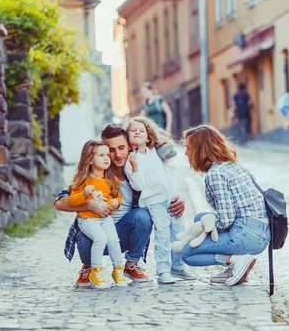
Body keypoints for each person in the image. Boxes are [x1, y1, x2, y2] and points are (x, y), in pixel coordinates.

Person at [55, 124, 186, 287]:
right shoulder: (96, 173)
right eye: (111, 149)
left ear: (130, 147)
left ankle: (130, 265)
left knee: (143, 216)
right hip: (94, 233)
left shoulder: (137, 172)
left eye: (122, 148)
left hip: (122, 234)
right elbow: (60, 202)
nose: (117, 154)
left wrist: (178, 198)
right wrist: (88, 205)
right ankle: (89, 266)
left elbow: (161, 185)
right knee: (85, 233)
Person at [180, 124, 270, 286]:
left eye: (188, 148)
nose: (186, 153)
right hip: (261, 230)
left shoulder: (215, 175)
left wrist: (205, 234)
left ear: (200, 149)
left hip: (247, 236)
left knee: (187, 253)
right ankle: (236, 264)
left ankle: (236, 260)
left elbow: (226, 219)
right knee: (200, 218)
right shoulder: (233, 165)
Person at [125, 117, 196, 284]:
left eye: (141, 130)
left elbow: (171, 153)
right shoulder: (130, 159)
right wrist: (134, 166)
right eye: (132, 130)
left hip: (171, 197)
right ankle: (163, 270)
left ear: (148, 136)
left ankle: (178, 267)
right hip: (154, 201)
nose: (137, 132)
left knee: (179, 233)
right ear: (127, 135)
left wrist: (159, 139)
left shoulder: (154, 152)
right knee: (162, 235)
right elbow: (138, 185)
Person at [68, 140, 129, 289]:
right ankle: (95, 271)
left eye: (107, 154)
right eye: (101, 155)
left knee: (114, 241)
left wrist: (116, 202)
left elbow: (117, 196)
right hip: (87, 219)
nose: (107, 158)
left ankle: (118, 270)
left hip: (104, 218)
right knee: (100, 239)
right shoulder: (83, 180)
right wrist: (84, 193)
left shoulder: (110, 179)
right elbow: (72, 201)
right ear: (89, 160)